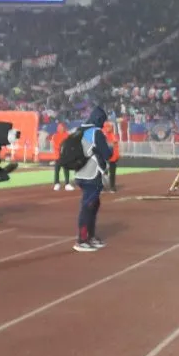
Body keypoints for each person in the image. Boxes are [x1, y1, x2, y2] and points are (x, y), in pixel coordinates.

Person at [71, 106, 112, 252]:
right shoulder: (96, 133)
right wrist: (110, 149)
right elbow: (107, 154)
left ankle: (90, 236)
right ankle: (82, 239)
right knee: (88, 206)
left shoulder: (78, 130)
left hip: (79, 173)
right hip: (92, 173)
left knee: (93, 204)